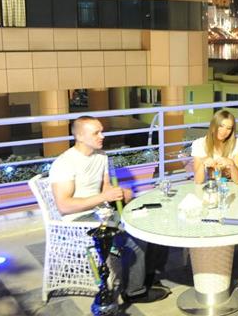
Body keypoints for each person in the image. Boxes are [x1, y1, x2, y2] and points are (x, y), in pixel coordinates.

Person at [49, 116, 170, 303]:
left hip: (103, 212)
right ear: (79, 136)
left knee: (154, 228)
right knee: (134, 240)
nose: (102, 136)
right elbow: (64, 206)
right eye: (96, 133)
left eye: (102, 131)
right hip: (80, 219)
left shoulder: (101, 156)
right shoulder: (65, 163)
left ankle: (146, 277)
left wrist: (119, 192)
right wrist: (104, 197)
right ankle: (134, 292)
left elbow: (105, 187)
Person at [191, 110, 238, 183]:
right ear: (213, 126)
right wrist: (202, 163)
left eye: (228, 128)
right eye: (221, 126)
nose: (224, 131)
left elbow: (237, 180)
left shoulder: (237, 143)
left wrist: (232, 164)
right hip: (208, 185)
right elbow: (198, 181)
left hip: (228, 186)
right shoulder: (198, 144)